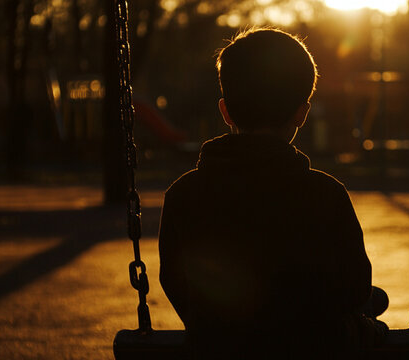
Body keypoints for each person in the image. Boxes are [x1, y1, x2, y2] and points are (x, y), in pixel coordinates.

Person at [158, 28, 387, 359]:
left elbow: (176, 285)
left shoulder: (183, 194)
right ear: (302, 114)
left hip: (220, 346)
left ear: (225, 111)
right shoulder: (326, 193)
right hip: (315, 346)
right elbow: (354, 288)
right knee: (372, 303)